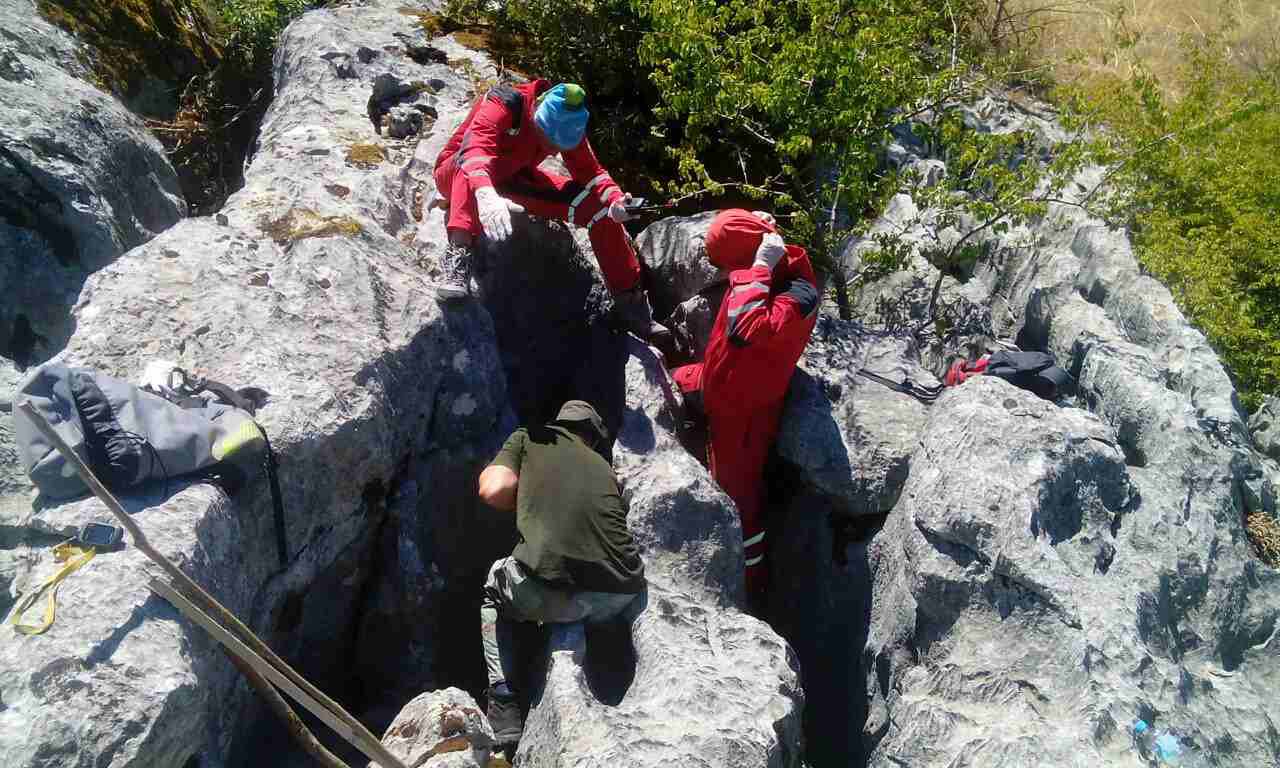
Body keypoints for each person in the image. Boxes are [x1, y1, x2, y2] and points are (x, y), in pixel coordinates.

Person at [432, 80, 669, 342]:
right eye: (547, 143)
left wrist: (615, 201)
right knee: (469, 164)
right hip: (457, 171)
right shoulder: (504, 102)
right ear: (537, 113)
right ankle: (458, 256)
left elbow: (590, 171)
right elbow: (476, 148)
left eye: (558, 148)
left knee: (599, 211)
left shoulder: (567, 120)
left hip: (514, 177)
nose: (551, 151)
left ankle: (629, 303)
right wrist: (485, 193)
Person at [476, 400, 646, 750]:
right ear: (594, 437)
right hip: (619, 594)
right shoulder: (603, 466)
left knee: (496, 584)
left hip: (550, 594)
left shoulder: (528, 438)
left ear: (560, 424)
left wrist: (528, 501)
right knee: (567, 583)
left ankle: (504, 702)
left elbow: (493, 490)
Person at [670, 209, 819, 596]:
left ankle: (749, 582)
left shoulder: (799, 294)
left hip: (745, 413)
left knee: (736, 498)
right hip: (721, 381)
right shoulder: (770, 269)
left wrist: (758, 268)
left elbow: (748, 326)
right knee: (666, 378)